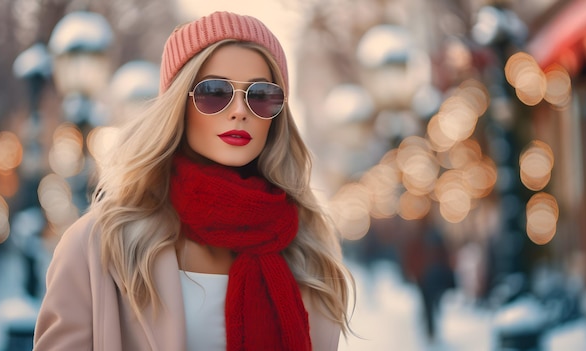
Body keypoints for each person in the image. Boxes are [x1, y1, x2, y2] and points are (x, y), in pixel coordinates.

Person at [33, 11, 354, 351]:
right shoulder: (99, 246)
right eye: (214, 92)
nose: (239, 110)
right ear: (178, 105)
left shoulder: (306, 248)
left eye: (261, 95)